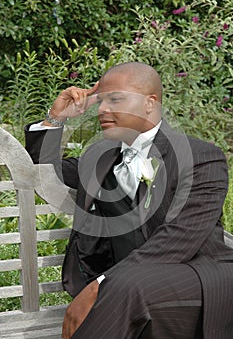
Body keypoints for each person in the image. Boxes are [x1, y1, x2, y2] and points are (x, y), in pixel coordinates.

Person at [25, 62, 233, 339]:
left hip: (194, 277)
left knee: (127, 290)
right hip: (129, 288)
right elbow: (45, 171)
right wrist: (56, 118)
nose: (101, 110)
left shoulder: (201, 157)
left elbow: (179, 239)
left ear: (150, 103)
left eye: (115, 100)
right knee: (127, 292)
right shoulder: (99, 157)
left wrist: (104, 282)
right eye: (100, 101)